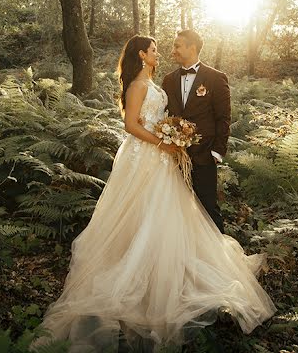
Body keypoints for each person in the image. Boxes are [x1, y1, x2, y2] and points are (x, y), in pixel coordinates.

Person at [32, 35, 275, 352]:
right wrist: (164, 142)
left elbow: (195, 116)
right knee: (142, 211)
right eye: (155, 49)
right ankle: (138, 270)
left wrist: (177, 136)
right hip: (144, 156)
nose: (162, 52)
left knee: (169, 212)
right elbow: (131, 125)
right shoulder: (137, 85)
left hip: (164, 157)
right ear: (142, 55)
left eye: (168, 48)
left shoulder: (158, 80)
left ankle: (175, 264)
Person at [161, 29, 229, 232]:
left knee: (208, 207)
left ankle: (219, 257)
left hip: (204, 154)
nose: (173, 50)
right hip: (174, 157)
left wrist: (217, 152)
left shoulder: (216, 78)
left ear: (192, 48)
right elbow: (165, 114)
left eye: (177, 46)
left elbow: (223, 118)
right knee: (177, 208)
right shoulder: (168, 80)